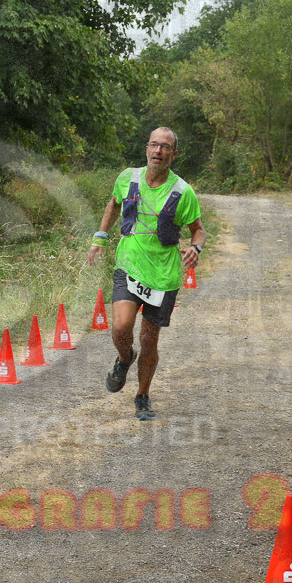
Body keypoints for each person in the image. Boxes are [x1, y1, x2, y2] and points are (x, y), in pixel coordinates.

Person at [87, 127, 205, 420]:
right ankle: (125, 358)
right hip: (128, 265)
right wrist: (100, 236)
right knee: (121, 326)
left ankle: (142, 396)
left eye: (165, 147)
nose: (158, 151)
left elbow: (199, 230)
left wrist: (196, 248)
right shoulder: (128, 177)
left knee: (149, 339)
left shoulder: (183, 191)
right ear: (146, 149)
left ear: (173, 155)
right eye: (154, 145)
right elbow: (114, 204)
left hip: (163, 276)